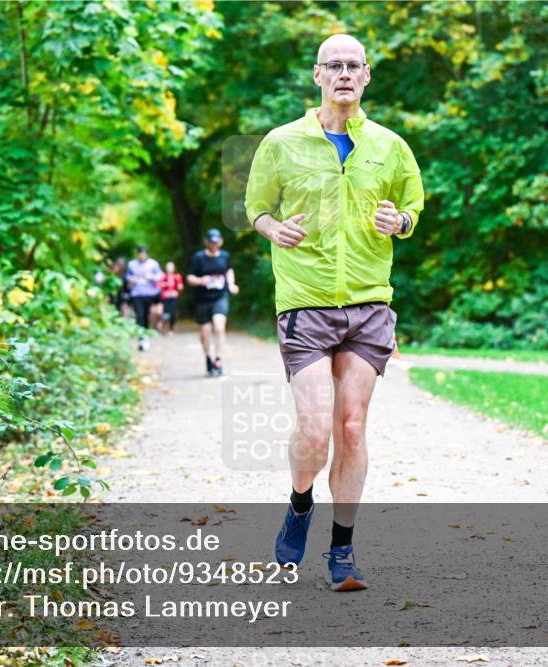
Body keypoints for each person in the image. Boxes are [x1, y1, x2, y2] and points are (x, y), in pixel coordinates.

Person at [244, 34, 424, 591]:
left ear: (366, 76)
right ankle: (300, 504)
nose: (344, 73)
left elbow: (413, 206)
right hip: (305, 302)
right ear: (317, 76)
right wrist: (273, 228)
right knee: (317, 426)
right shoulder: (280, 143)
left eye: (354, 65)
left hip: (369, 303)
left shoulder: (390, 147)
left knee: (351, 424)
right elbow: (256, 209)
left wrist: (402, 222)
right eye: (334, 65)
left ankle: (342, 552)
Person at [186, 228, 239, 376]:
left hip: (220, 296)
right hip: (202, 299)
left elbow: (229, 270)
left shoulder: (225, 256)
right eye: (211, 242)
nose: (214, 245)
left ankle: (218, 360)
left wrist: (231, 284)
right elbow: (189, 277)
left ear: (220, 242)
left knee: (219, 326)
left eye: (216, 242)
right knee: (205, 333)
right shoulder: (198, 258)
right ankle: (208, 358)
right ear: (206, 242)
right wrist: (200, 280)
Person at [126, 245, 164, 351]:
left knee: (148, 316)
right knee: (139, 315)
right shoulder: (132, 265)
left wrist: (152, 277)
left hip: (150, 294)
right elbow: (127, 277)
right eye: (140, 253)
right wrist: (132, 279)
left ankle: (146, 335)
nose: (141, 255)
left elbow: (160, 275)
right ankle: (141, 338)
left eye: (143, 253)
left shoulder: (153, 264)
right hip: (137, 294)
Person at [156, 261, 184, 335]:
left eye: (171, 267)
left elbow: (180, 286)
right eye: (168, 267)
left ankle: (170, 328)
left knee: (173, 313)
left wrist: (179, 287)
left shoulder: (177, 276)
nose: (170, 269)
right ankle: (162, 324)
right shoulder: (163, 276)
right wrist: (164, 284)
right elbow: (158, 285)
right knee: (166, 313)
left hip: (174, 297)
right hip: (165, 297)